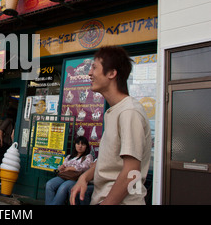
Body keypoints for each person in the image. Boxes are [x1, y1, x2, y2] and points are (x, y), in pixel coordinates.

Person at [70, 46, 151, 205]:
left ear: (112, 73)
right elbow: (109, 162)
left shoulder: (129, 112)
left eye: (94, 67)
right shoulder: (113, 111)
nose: (89, 73)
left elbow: (131, 170)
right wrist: (84, 177)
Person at [45, 136, 93, 205]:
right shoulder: (70, 156)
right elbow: (64, 165)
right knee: (49, 184)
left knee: (63, 188)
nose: (80, 146)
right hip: (65, 176)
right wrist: (61, 167)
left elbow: (84, 167)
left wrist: (70, 168)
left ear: (86, 146)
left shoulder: (88, 156)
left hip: (75, 178)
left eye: (83, 144)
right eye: (78, 144)